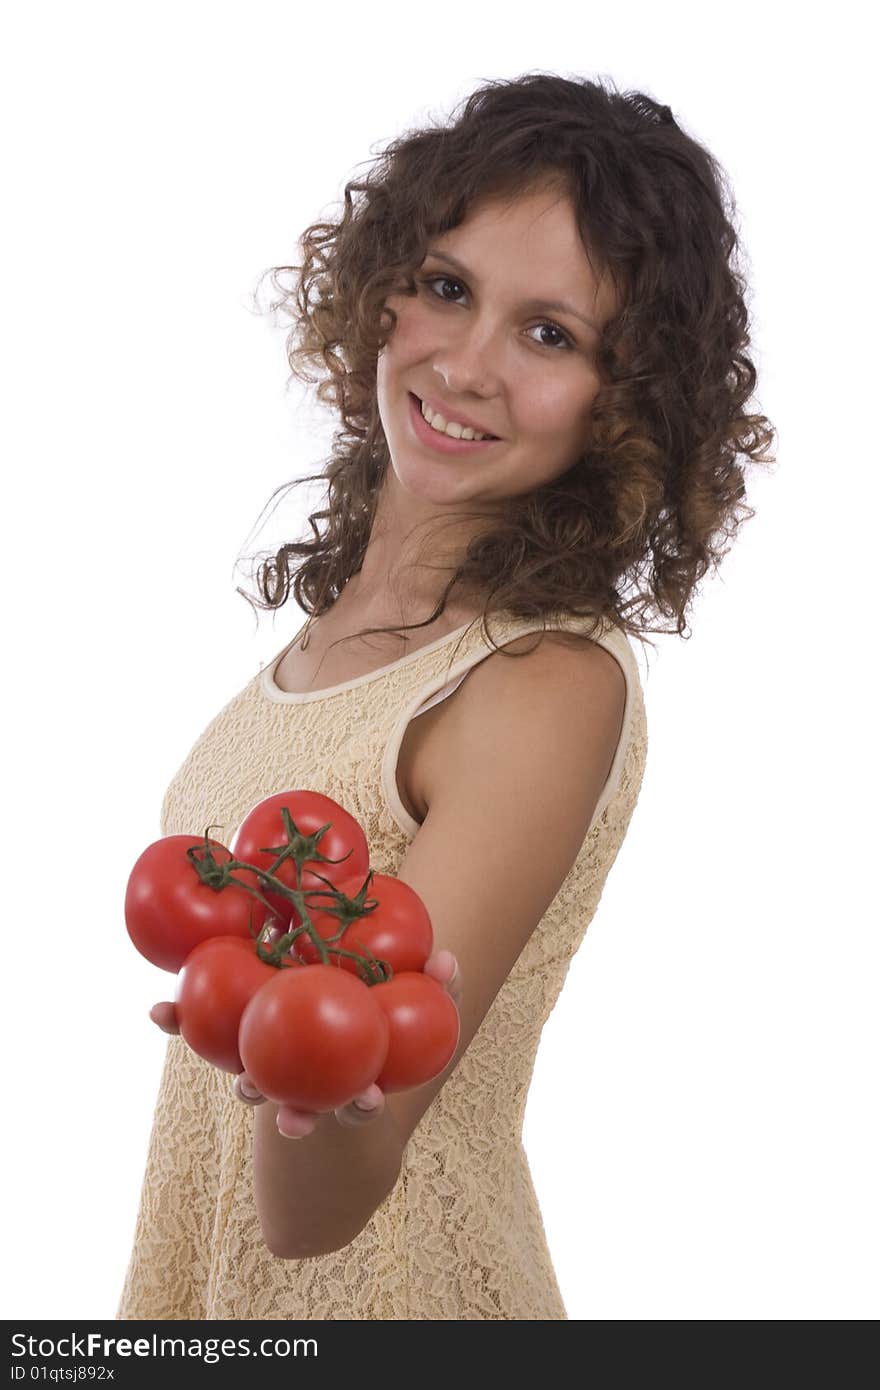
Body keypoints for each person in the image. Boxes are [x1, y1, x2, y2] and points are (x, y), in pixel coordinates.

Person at [116, 72, 775, 1321]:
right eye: (446, 286)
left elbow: (316, 1217)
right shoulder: (342, 634)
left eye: (549, 334)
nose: (465, 363)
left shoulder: (539, 682)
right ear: (380, 289)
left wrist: (316, 1086)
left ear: (620, 403)